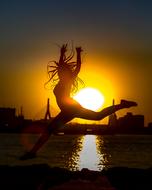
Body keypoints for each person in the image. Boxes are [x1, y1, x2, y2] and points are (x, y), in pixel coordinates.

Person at [20, 44, 137, 160]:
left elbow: (78, 68)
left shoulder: (69, 79)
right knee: (97, 116)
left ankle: (32, 153)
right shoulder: (61, 80)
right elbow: (61, 65)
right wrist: (61, 54)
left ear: (66, 72)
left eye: (63, 71)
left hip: (72, 108)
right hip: (66, 111)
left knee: (97, 116)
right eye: (60, 71)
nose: (60, 72)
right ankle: (33, 153)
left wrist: (78, 54)